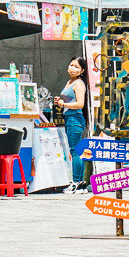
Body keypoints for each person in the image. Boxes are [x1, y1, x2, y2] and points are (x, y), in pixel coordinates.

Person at [53, 57, 88, 188]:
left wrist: (64, 104)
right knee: (75, 150)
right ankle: (79, 183)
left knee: (75, 151)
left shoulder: (78, 83)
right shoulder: (69, 82)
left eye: (76, 67)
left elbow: (80, 104)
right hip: (69, 118)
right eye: (71, 65)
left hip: (75, 119)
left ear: (82, 71)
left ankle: (76, 182)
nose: (72, 68)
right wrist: (61, 101)